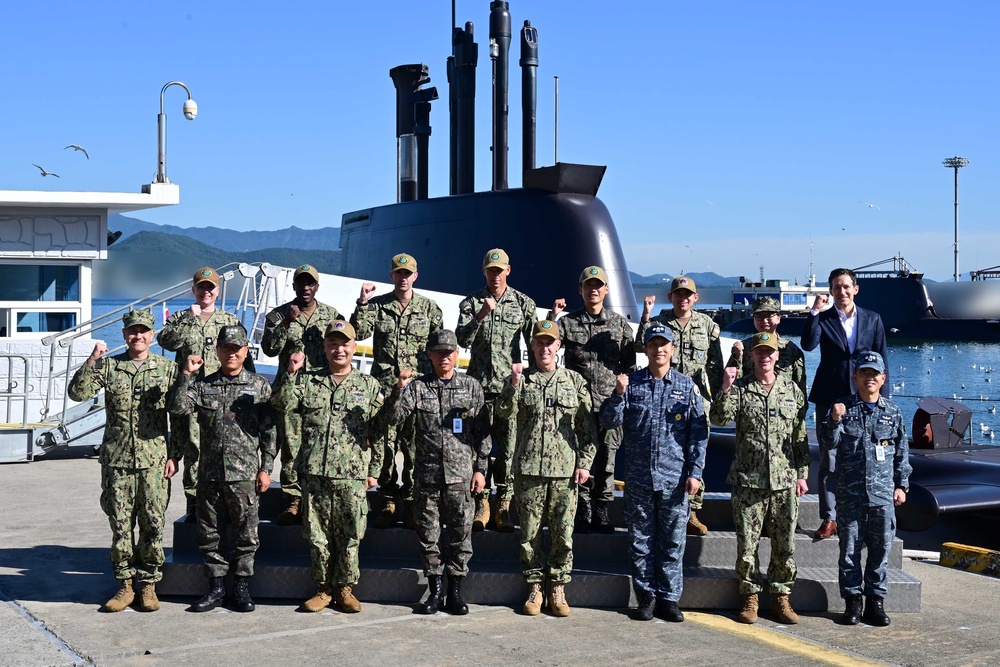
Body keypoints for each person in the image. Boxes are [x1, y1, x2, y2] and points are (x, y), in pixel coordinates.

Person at [68, 309, 179, 613]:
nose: (138, 336)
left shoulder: (167, 369)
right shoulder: (110, 367)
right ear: (124, 334)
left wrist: (175, 454)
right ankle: (125, 584)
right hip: (116, 460)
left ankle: (148, 585)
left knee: (153, 523)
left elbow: (179, 416)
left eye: (143, 331)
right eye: (132, 331)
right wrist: (92, 361)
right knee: (120, 524)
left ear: (152, 335)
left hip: (154, 459)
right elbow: (78, 393)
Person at [271, 320, 384, 613]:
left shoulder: (368, 385)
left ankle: (345, 589)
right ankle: (322, 589)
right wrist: (289, 373)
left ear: (354, 346)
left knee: (350, 535)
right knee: (317, 535)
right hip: (315, 473)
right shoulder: (307, 381)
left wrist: (375, 471)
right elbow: (282, 405)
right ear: (324, 347)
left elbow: (380, 431)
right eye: (333, 343)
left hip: (351, 475)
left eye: (344, 343)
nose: (339, 349)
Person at [600, 324, 708, 622]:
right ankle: (646, 596)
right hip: (639, 478)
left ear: (672, 349)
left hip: (675, 479)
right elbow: (609, 421)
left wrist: (695, 472)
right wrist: (619, 394)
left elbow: (698, 434)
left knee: (673, 541)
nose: (658, 349)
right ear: (645, 349)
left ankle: (670, 599)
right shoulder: (631, 384)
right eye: (653, 344)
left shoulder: (686, 387)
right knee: (641, 540)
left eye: (664, 344)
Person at [167, 325, 277, 613]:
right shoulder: (204, 387)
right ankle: (216, 588)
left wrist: (266, 468)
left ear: (245, 351)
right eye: (226, 348)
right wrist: (185, 374)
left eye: (237, 348)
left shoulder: (259, 386)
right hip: (211, 474)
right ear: (217, 351)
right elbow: (178, 408)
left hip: (245, 475)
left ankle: (240, 587)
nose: (231, 353)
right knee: (209, 533)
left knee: (246, 534)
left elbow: (270, 432)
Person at [383, 329, 492, 615]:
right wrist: (398, 389)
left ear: (457, 355)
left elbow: (483, 434)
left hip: (461, 476)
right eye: (439, 352)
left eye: (449, 352)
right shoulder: (418, 388)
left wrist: (481, 470)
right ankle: (435, 591)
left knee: (461, 533)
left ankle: (455, 591)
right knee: (429, 534)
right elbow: (393, 419)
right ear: (430, 355)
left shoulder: (471, 387)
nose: (444, 357)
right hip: (428, 476)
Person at [496, 320, 596, 617]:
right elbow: (503, 412)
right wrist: (513, 386)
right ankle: (535, 587)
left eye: (550, 342)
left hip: (565, 472)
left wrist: (585, 464)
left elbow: (587, 428)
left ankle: (558, 587)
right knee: (529, 533)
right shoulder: (520, 379)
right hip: (529, 470)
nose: (545, 348)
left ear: (559, 346)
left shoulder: (574, 382)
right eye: (539, 342)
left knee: (563, 534)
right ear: (532, 347)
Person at [710, 332, 809, 625]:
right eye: (760, 352)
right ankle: (750, 597)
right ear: (752, 355)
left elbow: (799, 436)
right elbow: (718, 418)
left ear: (777, 356)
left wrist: (802, 474)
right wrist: (726, 386)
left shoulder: (792, 390)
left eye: (770, 352)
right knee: (747, 545)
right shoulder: (741, 388)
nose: (765, 356)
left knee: (785, 544)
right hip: (748, 481)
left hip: (784, 480)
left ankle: (781, 598)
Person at [818, 351, 910, 627]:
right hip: (851, 495)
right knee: (849, 552)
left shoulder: (892, 412)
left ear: (882, 379)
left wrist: (902, 485)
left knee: (881, 551)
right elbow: (828, 443)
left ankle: (876, 602)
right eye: (864, 373)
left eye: (874, 374)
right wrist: (833, 420)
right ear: (855, 377)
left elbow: (901, 452)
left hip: (882, 496)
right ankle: (852, 602)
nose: (869, 378)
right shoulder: (843, 409)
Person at [351, 253, 443, 529]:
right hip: (386, 390)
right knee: (385, 445)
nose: (403, 278)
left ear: (415, 276)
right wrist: (363, 302)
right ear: (391, 276)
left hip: (417, 389)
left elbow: (438, 348)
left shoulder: (430, 309)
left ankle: (413, 503)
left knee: (415, 445)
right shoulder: (378, 306)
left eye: (408, 274)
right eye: (398, 273)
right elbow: (358, 332)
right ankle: (389, 501)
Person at [801, 268, 888, 540]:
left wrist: (883, 397)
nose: (842, 292)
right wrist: (814, 312)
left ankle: (858, 514)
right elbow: (807, 344)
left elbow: (882, 356)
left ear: (855, 289)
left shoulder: (873, 320)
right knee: (830, 460)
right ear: (831, 291)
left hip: (863, 397)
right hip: (830, 396)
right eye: (836, 288)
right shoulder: (824, 319)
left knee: (864, 456)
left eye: (846, 287)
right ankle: (829, 517)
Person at [550, 265, 636, 533]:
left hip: (610, 403)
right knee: (579, 457)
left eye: (598, 285)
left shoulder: (619, 325)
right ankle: (583, 508)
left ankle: (602, 508)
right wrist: (551, 316)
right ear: (581, 290)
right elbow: (547, 344)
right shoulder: (568, 323)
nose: (594, 290)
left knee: (607, 458)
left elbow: (629, 365)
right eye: (588, 286)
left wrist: (624, 397)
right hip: (579, 405)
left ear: (606, 290)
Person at [455, 248, 536, 531]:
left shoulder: (524, 303)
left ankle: (503, 503)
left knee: (508, 449)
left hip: (508, 390)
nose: (495, 275)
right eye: (491, 270)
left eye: (500, 270)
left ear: (508, 271)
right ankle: (481, 504)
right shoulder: (471, 303)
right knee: (479, 449)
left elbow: (537, 343)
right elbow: (461, 340)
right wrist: (480, 315)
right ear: (484, 271)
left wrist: (531, 382)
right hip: (478, 389)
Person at [638, 276, 723, 535]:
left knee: (696, 453)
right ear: (670, 297)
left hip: (695, 399)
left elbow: (715, 365)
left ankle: (693, 512)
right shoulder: (659, 323)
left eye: (688, 294)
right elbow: (640, 347)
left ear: (695, 298)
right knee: (668, 453)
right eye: (678, 294)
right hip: (664, 399)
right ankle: (667, 508)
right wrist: (644, 316)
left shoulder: (707, 325)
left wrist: (718, 397)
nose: (683, 298)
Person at [157, 266, 243, 522]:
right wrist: (187, 319)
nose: (206, 292)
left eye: (210, 287)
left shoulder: (229, 321)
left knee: (223, 448)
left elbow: (241, 358)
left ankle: (221, 505)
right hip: (191, 395)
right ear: (193, 290)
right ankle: (194, 502)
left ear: (217, 291)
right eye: (201, 287)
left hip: (221, 397)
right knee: (193, 449)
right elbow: (166, 341)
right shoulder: (180, 318)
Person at [261, 264, 343, 526]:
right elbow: (269, 349)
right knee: (291, 446)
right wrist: (286, 322)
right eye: (301, 284)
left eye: (310, 284)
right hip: (291, 390)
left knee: (322, 444)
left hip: (321, 391)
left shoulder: (331, 315)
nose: (305, 288)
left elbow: (342, 347)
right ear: (294, 286)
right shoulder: (278, 315)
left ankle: (317, 497)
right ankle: (293, 498)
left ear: (317, 287)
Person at [725, 296, 807, 398]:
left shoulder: (791, 350)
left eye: (769, 316)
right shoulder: (743, 347)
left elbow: (800, 390)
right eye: (759, 317)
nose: (764, 321)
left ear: (778, 318)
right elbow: (730, 384)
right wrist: (737, 357)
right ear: (753, 319)